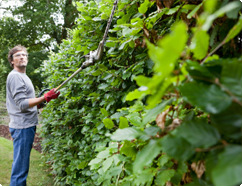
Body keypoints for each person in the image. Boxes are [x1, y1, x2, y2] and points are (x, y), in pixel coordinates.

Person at [6, 45, 60, 186]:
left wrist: (44, 101)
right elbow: (22, 104)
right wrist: (44, 97)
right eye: (18, 55)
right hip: (22, 127)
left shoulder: (23, 76)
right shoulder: (16, 76)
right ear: (12, 61)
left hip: (26, 125)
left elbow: (29, 104)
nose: (22, 57)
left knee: (20, 166)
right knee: (20, 170)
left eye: (24, 55)